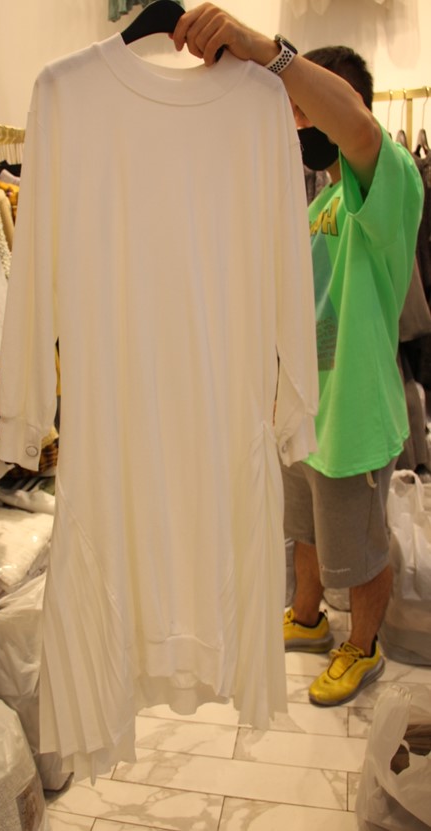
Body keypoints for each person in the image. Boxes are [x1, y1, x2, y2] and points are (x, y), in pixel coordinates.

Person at [172, 4, 424, 706]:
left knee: (360, 547)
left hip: (354, 415)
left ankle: (363, 646)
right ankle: (308, 618)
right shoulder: (315, 201)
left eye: (307, 108)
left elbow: (359, 129)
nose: (298, 123)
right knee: (304, 531)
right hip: (303, 409)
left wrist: (270, 52)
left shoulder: (390, 181)